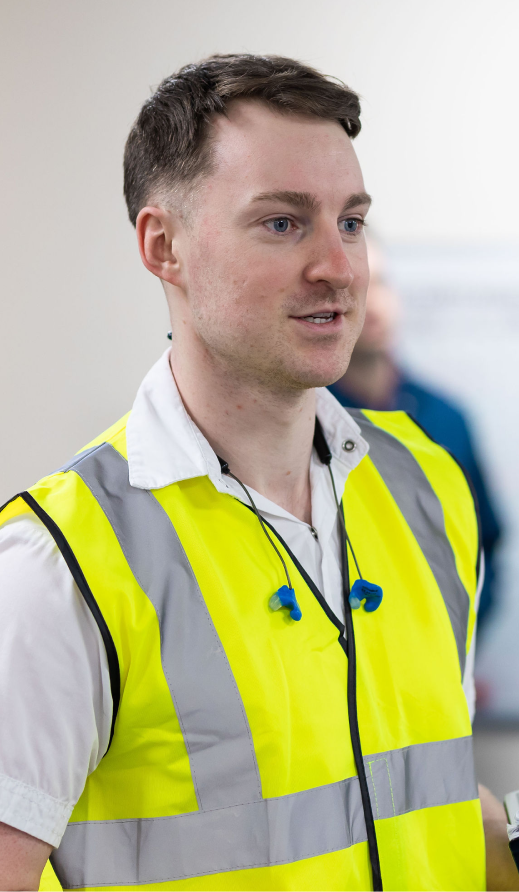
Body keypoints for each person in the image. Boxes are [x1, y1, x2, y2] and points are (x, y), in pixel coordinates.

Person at [0, 54, 496, 891]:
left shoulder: (426, 487)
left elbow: (431, 806)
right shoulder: (59, 565)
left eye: (350, 222)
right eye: (281, 222)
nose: (338, 267)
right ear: (164, 246)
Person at [329, 241, 503, 629]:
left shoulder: (447, 418)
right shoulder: (302, 418)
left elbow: (484, 542)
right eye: (355, 285)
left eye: (382, 282)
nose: (373, 301)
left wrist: (464, 640)